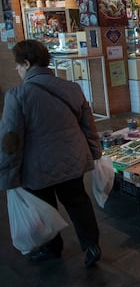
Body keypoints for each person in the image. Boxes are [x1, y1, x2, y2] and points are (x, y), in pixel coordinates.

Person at [0, 40, 102, 267]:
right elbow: (89, 126)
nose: (17, 71)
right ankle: (92, 245)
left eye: (18, 66)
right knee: (78, 202)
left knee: (44, 209)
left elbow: (10, 141)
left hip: (38, 167)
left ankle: (51, 248)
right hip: (73, 159)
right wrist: (95, 152)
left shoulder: (17, 95)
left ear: (26, 64)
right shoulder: (72, 88)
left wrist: (7, 175)